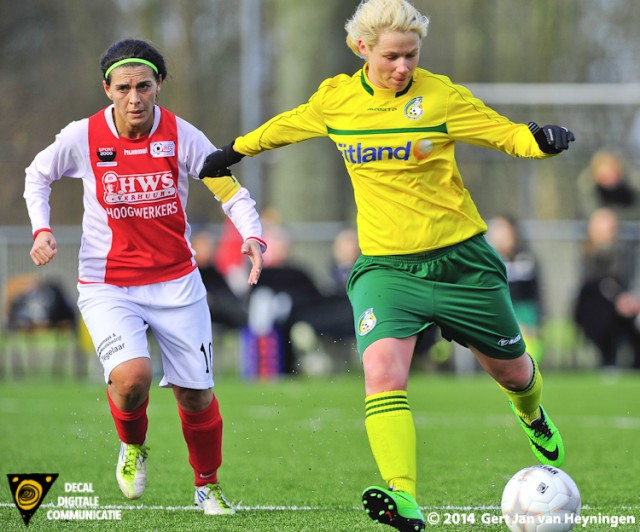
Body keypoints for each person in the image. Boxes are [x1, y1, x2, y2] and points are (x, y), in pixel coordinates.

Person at [198, 1, 574, 529]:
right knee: (380, 372)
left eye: (411, 56)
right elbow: (289, 126)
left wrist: (540, 142)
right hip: (387, 271)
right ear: (362, 49)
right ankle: (404, 497)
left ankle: (530, 411)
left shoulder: (439, 94)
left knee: (513, 372)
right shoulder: (338, 99)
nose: (404, 67)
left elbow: (505, 133)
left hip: (463, 263)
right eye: (392, 57)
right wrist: (235, 150)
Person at [23, 39, 266, 516]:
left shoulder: (181, 134)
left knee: (196, 395)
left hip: (177, 282)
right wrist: (42, 229)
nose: (134, 98)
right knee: (132, 378)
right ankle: (132, 445)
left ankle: (207, 487)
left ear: (159, 86)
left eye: (144, 87)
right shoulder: (83, 135)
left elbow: (229, 190)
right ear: (107, 89)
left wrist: (253, 237)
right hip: (107, 284)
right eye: (124, 88)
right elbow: (37, 174)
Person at [574, 208, 640, 369]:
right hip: (595, 308)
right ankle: (608, 359)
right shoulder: (586, 253)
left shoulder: (625, 251)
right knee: (604, 315)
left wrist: (631, 299)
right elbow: (596, 283)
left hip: (626, 304)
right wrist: (619, 298)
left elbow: (630, 280)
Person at [486, 215, 544, 362]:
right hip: (495, 312)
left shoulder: (524, 257)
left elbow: (533, 291)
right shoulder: (487, 258)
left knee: (525, 338)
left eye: (500, 229)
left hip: (523, 312)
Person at [576, 149, 640, 221]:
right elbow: (588, 211)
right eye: (604, 177)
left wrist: (615, 216)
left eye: (611, 175)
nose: (608, 180)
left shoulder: (633, 185)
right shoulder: (588, 186)